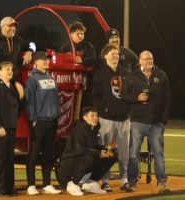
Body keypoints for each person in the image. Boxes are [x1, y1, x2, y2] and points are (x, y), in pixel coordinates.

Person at [122, 50, 171, 193]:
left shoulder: (161, 75)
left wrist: (163, 121)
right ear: (140, 61)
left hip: (156, 123)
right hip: (138, 121)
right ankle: (132, 182)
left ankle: (162, 182)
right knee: (133, 153)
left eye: (150, 58)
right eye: (145, 59)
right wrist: (136, 98)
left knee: (158, 153)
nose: (149, 61)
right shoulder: (132, 76)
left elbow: (168, 99)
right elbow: (124, 95)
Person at [91, 44, 131, 192]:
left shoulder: (126, 72)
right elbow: (94, 95)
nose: (115, 56)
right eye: (112, 53)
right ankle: (105, 180)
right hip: (106, 119)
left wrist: (129, 108)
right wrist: (104, 108)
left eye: (117, 53)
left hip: (124, 118)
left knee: (124, 151)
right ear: (105, 56)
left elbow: (131, 94)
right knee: (106, 150)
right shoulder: (100, 74)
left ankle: (124, 180)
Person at [24, 51, 61, 195]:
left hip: (52, 121)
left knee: (48, 154)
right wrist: (34, 119)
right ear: (36, 62)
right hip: (39, 122)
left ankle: (46, 184)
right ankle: (31, 185)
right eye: (43, 59)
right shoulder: (32, 79)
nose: (46, 61)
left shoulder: (51, 78)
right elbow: (29, 101)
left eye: (47, 59)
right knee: (33, 154)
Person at [59, 106, 116, 196]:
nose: (95, 118)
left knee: (112, 156)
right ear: (85, 117)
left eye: (96, 116)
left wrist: (105, 148)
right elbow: (79, 150)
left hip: (81, 160)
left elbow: (93, 147)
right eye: (92, 116)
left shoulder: (93, 129)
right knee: (90, 158)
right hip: (67, 165)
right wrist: (99, 153)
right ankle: (73, 184)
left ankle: (90, 183)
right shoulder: (80, 129)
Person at [0, 61, 23, 196]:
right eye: (6, 69)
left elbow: (17, 108)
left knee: (9, 159)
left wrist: (21, 95)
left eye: (11, 69)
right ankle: (0, 190)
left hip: (11, 127)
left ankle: (9, 188)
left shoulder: (12, 87)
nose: (10, 71)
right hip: (0, 128)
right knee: (0, 159)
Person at [0, 16, 36, 81]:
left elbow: (32, 44)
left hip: (14, 80)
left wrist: (29, 52)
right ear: (2, 27)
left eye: (14, 26)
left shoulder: (18, 40)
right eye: (10, 26)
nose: (13, 28)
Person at [60, 21, 96, 109]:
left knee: (85, 103)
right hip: (69, 81)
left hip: (85, 81)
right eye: (77, 33)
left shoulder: (88, 46)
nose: (80, 36)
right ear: (71, 34)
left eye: (82, 33)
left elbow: (93, 59)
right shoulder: (64, 47)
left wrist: (81, 60)